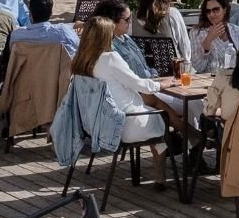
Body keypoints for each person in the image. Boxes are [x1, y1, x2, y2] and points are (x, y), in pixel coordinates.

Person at [71, 18, 167, 149]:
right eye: (111, 34)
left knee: (157, 113)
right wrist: (161, 85)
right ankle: (166, 163)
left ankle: (179, 146)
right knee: (164, 116)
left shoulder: (80, 61)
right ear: (105, 37)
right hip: (124, 123)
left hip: (95, 124)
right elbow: (138, 84)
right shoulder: (110, 58)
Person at [131, 0, 191, 65]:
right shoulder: (172, 14)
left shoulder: (132, 18)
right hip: (173, 72)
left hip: (145, 74)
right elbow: (185, 51)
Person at [190, 0, 239, 73]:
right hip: (210, 80)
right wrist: (208, 40)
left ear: (225, 10)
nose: (211, 14)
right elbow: (198, 67)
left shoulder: (236, 31)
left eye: (215, 10)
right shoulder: (197, 33)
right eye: (208, 11)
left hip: (235, 79)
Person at [8, 0, 79, 55]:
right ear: (51, 14)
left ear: (30, 14)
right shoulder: (64, 32)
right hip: (54, 69)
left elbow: (12, 53)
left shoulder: (17, 35)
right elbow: (76, 47)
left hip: (28, 69)